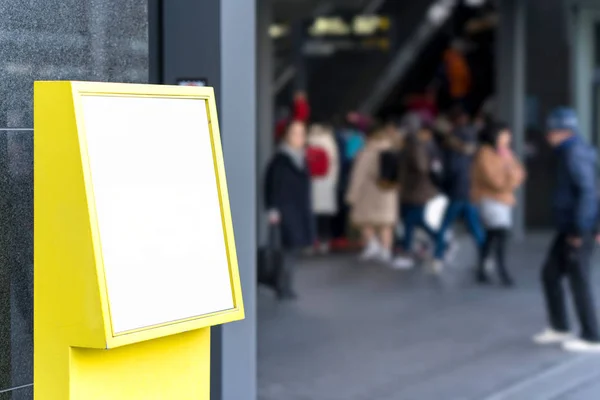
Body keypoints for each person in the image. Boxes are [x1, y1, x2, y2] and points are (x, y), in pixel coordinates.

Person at [533, 107, 600, 352]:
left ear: (562, 131)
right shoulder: (570, 153)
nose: (547, 136)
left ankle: (592, 337)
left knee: (578, 278)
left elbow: (588, 193)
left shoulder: (574, 154)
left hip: (577, 228)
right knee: (550, 273)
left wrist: (581, 230)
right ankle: (560, 327)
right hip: (570, 227)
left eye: (550, 130)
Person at [265, 120, 315, 300]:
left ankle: (285, 285)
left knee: (292, 250)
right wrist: (272, 209)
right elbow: (271, 186)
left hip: (298, 211)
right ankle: (282, 286)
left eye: (302, 133)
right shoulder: (281, 160)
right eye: (295, 133)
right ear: (287, 136)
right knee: (287, 250)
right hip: (286, 212)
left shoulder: (300, 158)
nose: (299, 137)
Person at [471, 123, 526, 286]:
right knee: (501, 234)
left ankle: (481, 269)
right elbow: (495, 181)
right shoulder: (485, 154)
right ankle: (502, 271)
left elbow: (520, 173)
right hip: (490, 200)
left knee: (491, 235)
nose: (508, 138)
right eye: (505, 135)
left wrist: (510, 176)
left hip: (504, 200)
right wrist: (510, 177)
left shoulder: (507, 153)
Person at [433, 107, 485, 272]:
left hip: (456, 190)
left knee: (445, 225)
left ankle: (438, 258)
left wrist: (444, 186)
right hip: (470, 189)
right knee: (475, 226)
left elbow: (449, 170)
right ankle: (485, 257)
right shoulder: (474, 140)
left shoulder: (451, 144)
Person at [346, 123, 398, 263]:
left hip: (368, 193)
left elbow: (358, 176)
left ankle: (372, 245)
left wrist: (352, 195)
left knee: (365, 221)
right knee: (386, 224)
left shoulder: (367, 152)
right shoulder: (392, 151)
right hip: (388, 192)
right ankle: (386, 250)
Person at [393, 123, 441, 270]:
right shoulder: (413, 145)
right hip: (413, 191)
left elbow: (421, 167)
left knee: (411, 221)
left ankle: (408, 252)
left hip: (416, 191)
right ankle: (439, 239)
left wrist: (412, 179)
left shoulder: (414, 146)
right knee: (415, 221)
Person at [307, 123, 340, 253]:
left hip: (311, 182)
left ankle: (310, 241)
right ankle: (324, 241)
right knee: (324, 216)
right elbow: (334, 162)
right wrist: (334, 181)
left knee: (311, 214)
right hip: (326, 182)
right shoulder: (329, 141)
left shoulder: (308, 141)